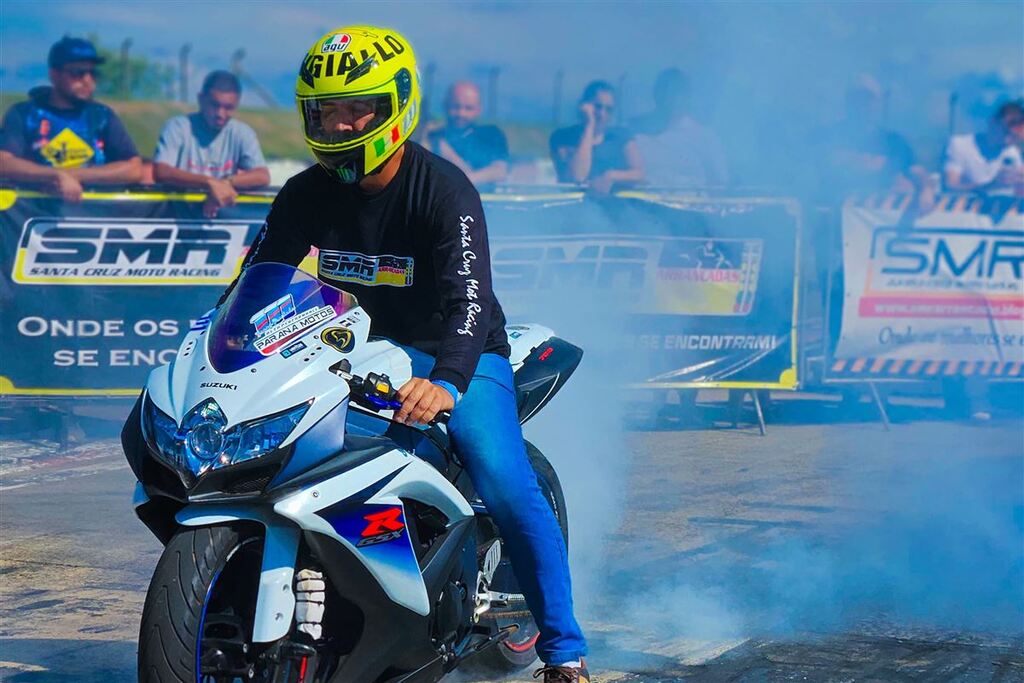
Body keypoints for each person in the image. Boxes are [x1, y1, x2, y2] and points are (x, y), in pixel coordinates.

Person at [225, 26, 590, 681]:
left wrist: (448, 381)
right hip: (368, 351)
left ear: (395, 106)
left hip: (462, 354)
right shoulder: (306, 194)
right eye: (325, 111)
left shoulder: (443, 191)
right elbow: (258, 277)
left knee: (509, 485)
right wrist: (221, 344)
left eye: (355, 109)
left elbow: (471, 302)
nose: (339, 124)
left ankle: (564, 652)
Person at [0, 36, 142, 201]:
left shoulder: (102, 116)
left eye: (93, 73)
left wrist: (73, 176)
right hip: (35, 215)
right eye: (78, 73)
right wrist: (53, 175)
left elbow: (133, 168)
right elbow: (4, 162)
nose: (87, 80)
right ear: (54, 75)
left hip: (94, 215)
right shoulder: (24, 114)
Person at [153, 70, 271, 217]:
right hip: (177, 218)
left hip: (220, 219)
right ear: (201, 99)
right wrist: (209, 183)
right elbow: (161, 171)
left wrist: (224, 184)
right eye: (214, 105)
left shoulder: (242, 133)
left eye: (228, 108)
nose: (220, 114)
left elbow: (262, 176)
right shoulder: (177, 127)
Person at [632, 68, 728, 188]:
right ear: (656, 95)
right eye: (665, 92)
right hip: (643, 204)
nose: (672, 99)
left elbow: (720, 182)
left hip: (692, 203)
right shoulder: (635, 134)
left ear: (687, 97)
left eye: (677, 93)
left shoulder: (704, 137)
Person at [550, 80, 643, 194]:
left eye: (608, 109)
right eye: (598, 107)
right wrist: (589, 126)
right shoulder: (562, 138)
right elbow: (577, 177)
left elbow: (639, 174)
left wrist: (611, 176)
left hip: (614, 207)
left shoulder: (621, 137)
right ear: (584, 106)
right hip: (573, 206)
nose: (602, 114)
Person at [425, 81, 509, 186]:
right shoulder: (433, 136)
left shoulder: (491, 135)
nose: (461, 113)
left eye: (468, 108)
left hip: (486, 199)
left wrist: (465, 180)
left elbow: (499, 172)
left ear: (478, 110)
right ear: (445, 106)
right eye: (455, 107)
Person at [943, 100, 1024, 195]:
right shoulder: (960, 145)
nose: (1009, 141)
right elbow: (950, 187)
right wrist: (990, 186)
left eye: (1015, 136)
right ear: (992, 122)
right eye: (1007, 130)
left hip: (1002, 206)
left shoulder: (1011, 151)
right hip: (969, 207)